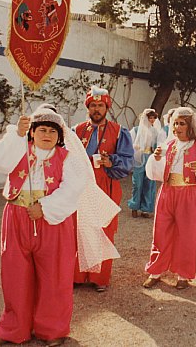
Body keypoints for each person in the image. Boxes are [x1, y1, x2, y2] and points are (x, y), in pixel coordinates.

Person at [0, 106, 119, 346]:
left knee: (54, 276)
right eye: (41, 130)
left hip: (53, 221)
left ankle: (52, 329)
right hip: (17, 217)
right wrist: (16, 135)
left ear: (60, 136)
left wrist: (46, 207)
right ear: (32, 132)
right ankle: (14, 328)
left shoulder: (67, 158)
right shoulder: (19, 149)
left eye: (52, 131)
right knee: (15, 274)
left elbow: (73, 187)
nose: (46, 135)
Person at [142, 108, 196, 289]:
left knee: (187, 235)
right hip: (168, 191)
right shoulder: (169, 145)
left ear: (190, 126)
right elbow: (155, 173)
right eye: (175, 123)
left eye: (182, 123)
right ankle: (156, 271)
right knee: (160, 232)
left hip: (190, 194)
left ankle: (183, 275)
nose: (177, 127)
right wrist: (155, 160)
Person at [73, 86, 133, 292]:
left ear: (106, 107)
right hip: (81, 186)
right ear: (87, 107)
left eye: (100, 105)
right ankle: (78, 275)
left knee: (103, 229)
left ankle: (100, 277)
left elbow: (127, 160)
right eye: (93, 105)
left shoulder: (119, 131)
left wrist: (111, 161)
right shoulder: (77, 131)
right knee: (79, 229)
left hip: (105, 184)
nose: (96, 109)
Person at [128, 109, 161, 218]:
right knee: (137, 183)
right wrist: (135, 149)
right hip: (139, 157)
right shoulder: (136, 130)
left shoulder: (155, 131)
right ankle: (134, 206)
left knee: (149, 183)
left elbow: (158, 144)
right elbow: (129, 144)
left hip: (150, 157)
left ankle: (145, 209)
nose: (151, 120)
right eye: (149, 118)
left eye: (153, 118)